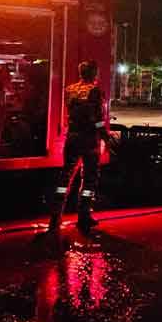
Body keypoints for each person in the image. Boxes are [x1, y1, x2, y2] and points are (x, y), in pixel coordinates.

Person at [48, 60, 105, 233]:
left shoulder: (70, 89)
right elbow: (98, 120)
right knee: (89, 180)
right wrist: (105, 136)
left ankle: (55, 218)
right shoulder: (95, 91)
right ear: (94, 73)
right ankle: (84, 216)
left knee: (64, 178)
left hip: (72, 138)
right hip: (89, 140)